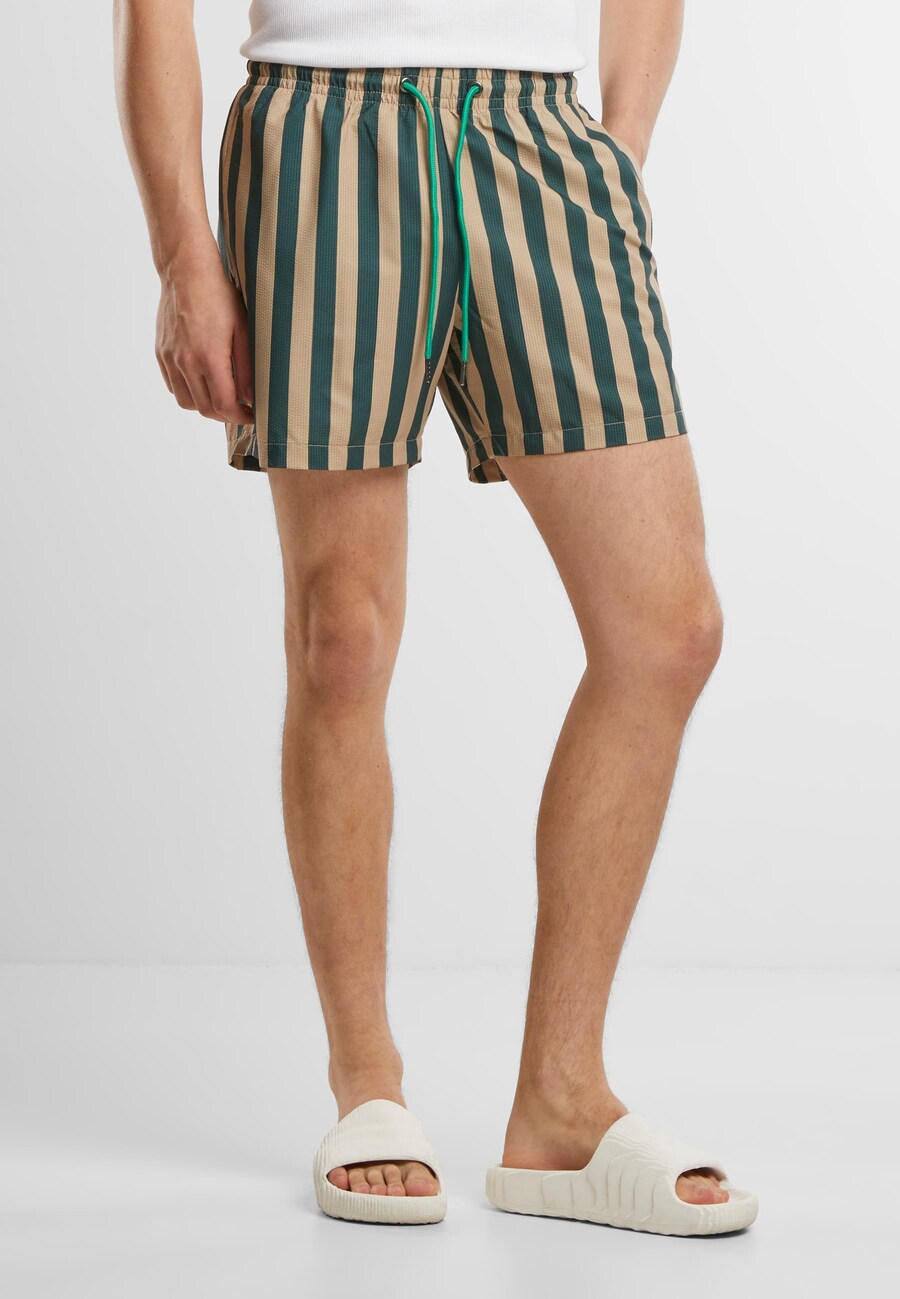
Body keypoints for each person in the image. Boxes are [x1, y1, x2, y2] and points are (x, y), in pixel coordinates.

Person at [114, 0, 757, 1234]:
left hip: (540, 137)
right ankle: (368, 1086)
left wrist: (618, 152)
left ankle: (561, 1105)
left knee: (667, 632)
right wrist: (182, 253)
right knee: (342, 638)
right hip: (321, 132)